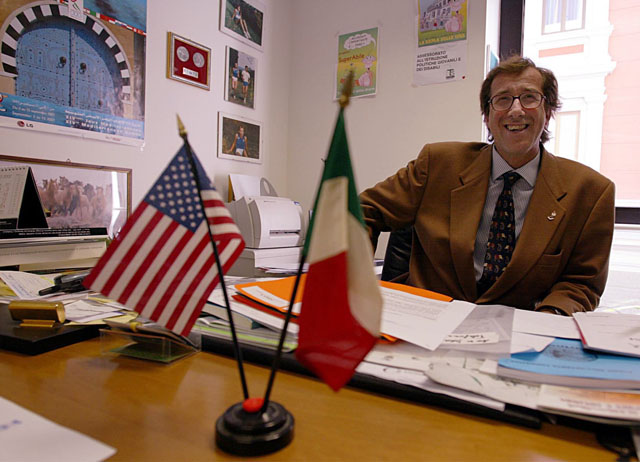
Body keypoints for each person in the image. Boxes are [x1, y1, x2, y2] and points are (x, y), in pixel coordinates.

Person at [360, 56, 615, 315]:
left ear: (547, 112)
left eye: (529, 98)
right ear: (487, 117)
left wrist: (547, 320)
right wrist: (352, 277)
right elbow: (361, 210)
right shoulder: (437, 164)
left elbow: (581, 283)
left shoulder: (590, 192)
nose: (516, 110)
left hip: (518, 329)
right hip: (426, 320)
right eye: (503, 99)